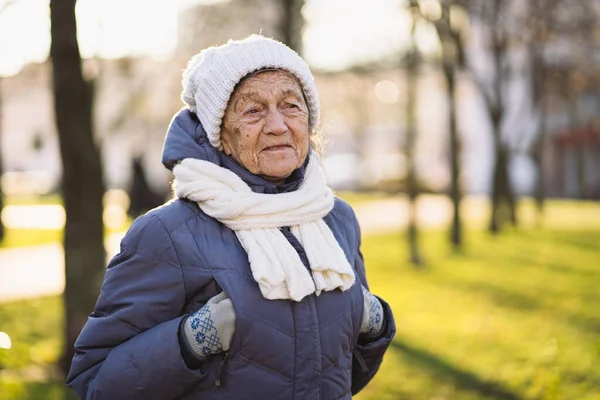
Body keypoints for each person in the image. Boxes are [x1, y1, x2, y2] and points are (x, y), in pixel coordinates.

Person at [66, 34, 396, 400]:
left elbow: (341, 376)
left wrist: (374, 326)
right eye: (253, 110)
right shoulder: (167, 234)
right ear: (218, 131)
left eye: (291, 106)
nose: (277, 125)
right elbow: (95, 383)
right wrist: (192, 341)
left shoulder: (336, 220)